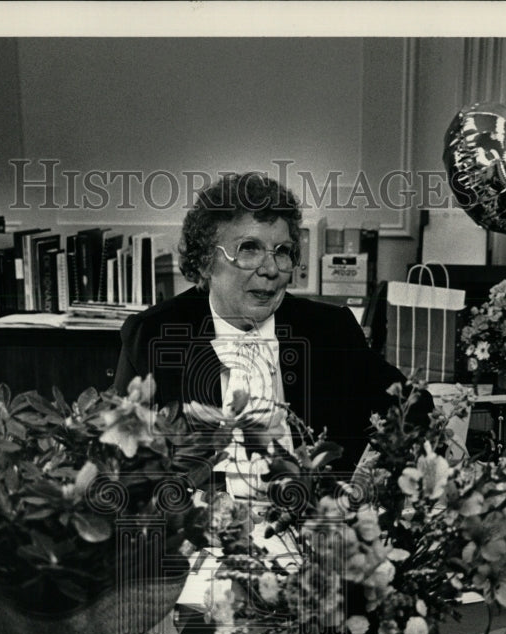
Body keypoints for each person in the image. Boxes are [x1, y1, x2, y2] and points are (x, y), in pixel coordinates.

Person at [114, 171, 429, 474]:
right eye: (248, 249)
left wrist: (367, 479)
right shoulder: (152, 334)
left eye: (282, 252)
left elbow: (415, 410)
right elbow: (119, 457)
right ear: (206, 260)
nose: (270, 269)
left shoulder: (330, 329)